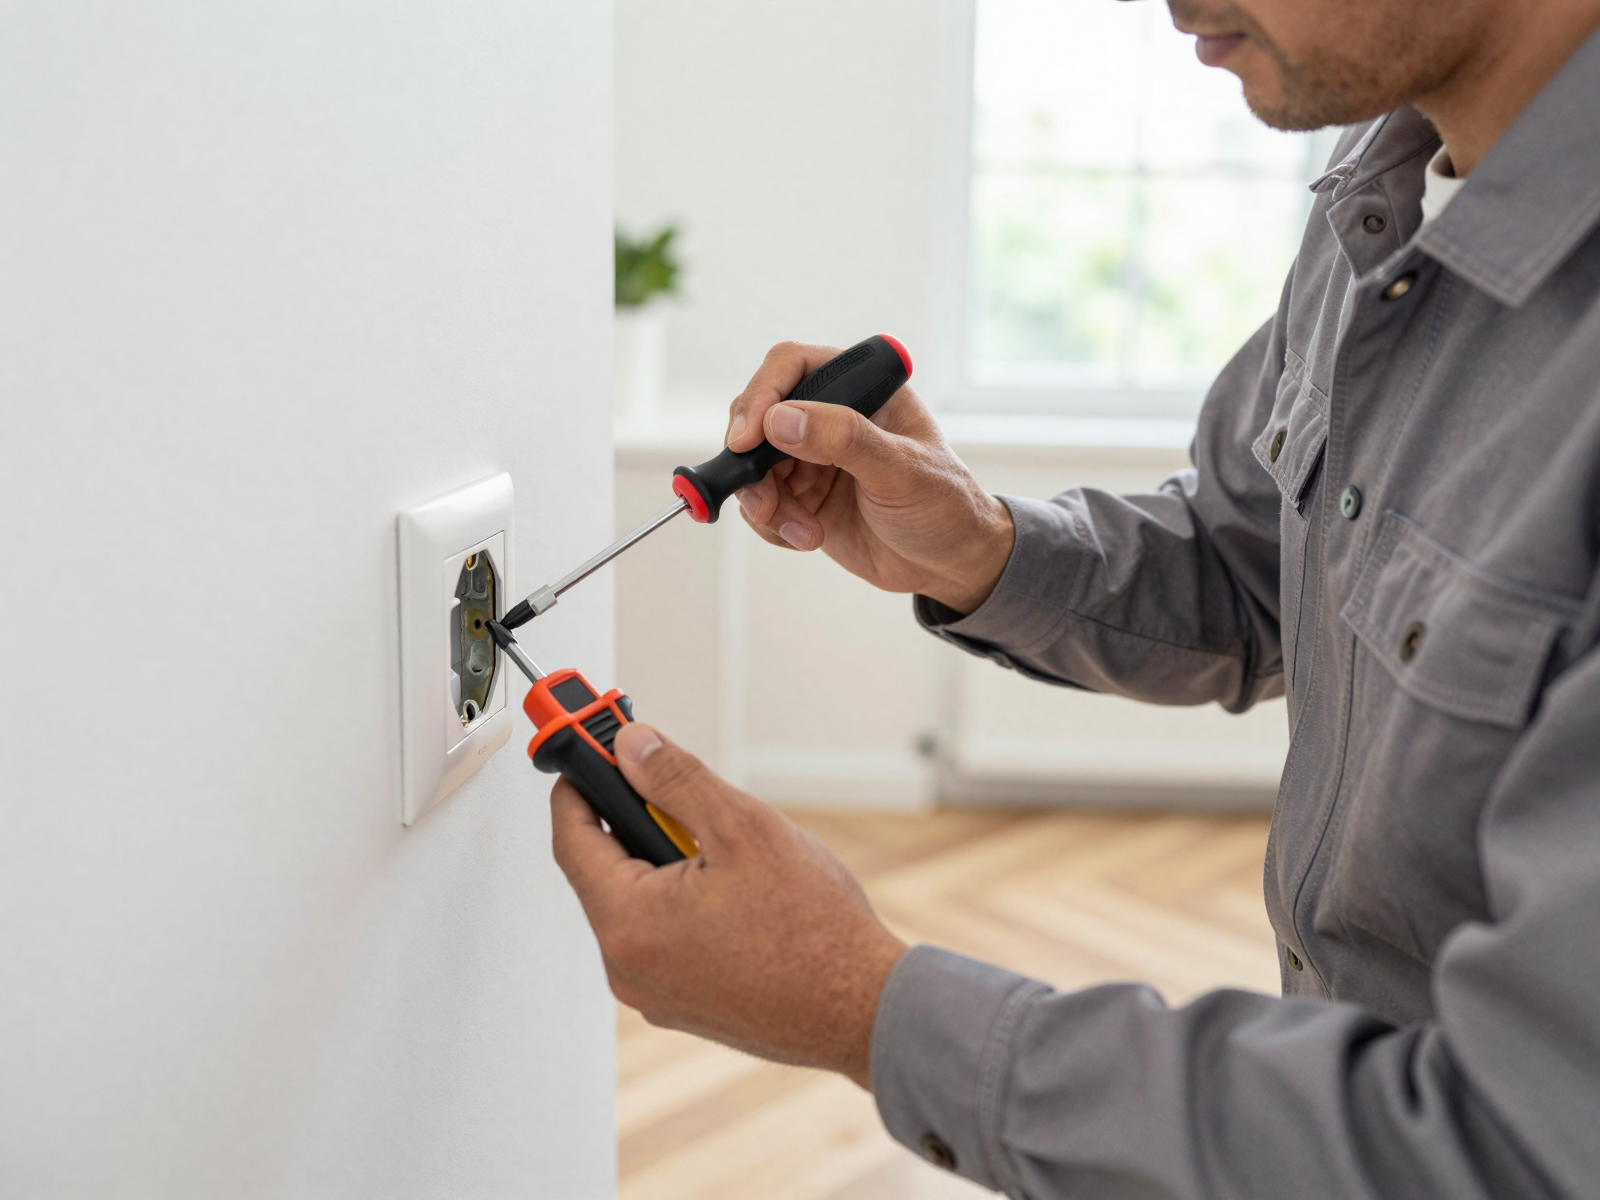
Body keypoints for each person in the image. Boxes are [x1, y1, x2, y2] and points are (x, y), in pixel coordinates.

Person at [554, 0, 1600, 1193]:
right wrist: (976, 548)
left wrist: (862, 1005)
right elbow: (1259, 561)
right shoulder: (1382, 191)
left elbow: (1518, 1149)